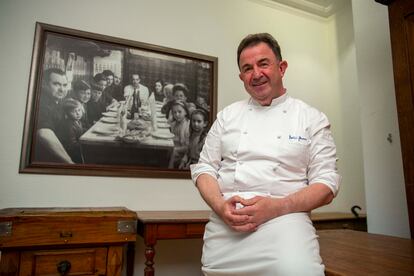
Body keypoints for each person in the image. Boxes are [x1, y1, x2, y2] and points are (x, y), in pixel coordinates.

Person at [190, 33, 341, 276]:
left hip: (286, 227)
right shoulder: (227, 116)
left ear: (281, 68)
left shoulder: (311, 118)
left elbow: (326, 184)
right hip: (226, 232)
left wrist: (277, 207)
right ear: (241, 77)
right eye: (247, 68)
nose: (256, 74)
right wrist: (220, 206)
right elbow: (205, 168)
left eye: (263, 64)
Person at [34, 68, 73, 163]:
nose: (62, 89)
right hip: (49, 160)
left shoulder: (58, 101)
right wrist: (70, 162)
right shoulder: (42, 103)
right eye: (56, 84)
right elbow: (44, 133)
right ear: (45, 84)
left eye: (64, 85)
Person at [57, 98, 85, 163]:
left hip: (78, 147)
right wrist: (85, 145)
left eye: (79, 110)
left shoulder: (77, 121)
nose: (78, 113)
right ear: (67, 113)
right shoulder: (69, 125)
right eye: (73, 111)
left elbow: (80, 130)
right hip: (72, 152)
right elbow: (72, 144)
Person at [168, 100, 190, 168]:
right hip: (173, 148)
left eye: (179, 112)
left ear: (185, 112)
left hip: (182, 154)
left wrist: (175, 149)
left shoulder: (187, 126)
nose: (177, 114)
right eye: (174, 112)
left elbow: (188, 147)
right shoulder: (174, 124)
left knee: (172, 153)